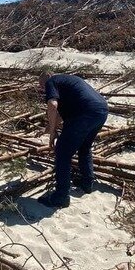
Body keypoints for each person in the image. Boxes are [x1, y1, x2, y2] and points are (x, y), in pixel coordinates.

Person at [36, 72, 108, 208]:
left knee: (62, 152)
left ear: (44, 82)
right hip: (101, 110)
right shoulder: (69, 81)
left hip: (84, 114)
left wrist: (52, 133)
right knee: (84, 147)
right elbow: (61, 115)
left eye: (41, 87)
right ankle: (87, 183)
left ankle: (61, 197)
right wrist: (47, 129)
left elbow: (52, 105)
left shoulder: (51, 82)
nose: (43, 90)